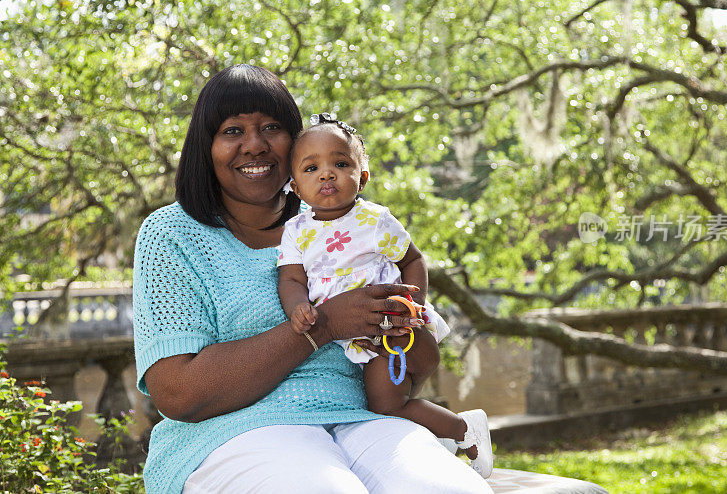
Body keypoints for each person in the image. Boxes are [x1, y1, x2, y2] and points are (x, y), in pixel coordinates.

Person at [132, 64, 493, 494]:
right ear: (205, 147)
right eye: (232, 131)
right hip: (232, 434)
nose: (255, 145)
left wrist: (406, 329)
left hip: (364, 421)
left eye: (271, 128)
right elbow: (178, 393)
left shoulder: (344, 224)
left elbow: (415, 364)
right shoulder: (172, 234)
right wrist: (323, 326)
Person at [277, 113, 493, 478]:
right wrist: (298, 307)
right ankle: (455, 428)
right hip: (358, 341)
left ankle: (454, 431)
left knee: (404, 385)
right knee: (390, 405)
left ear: (361, 177)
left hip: (396, 329)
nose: (326, 174)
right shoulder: (296, 231)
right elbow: (291, 279)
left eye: (340, 163)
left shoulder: (375, 220)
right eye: (311, 168)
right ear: (296, 188)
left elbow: (413, 259)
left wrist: (414, 306)